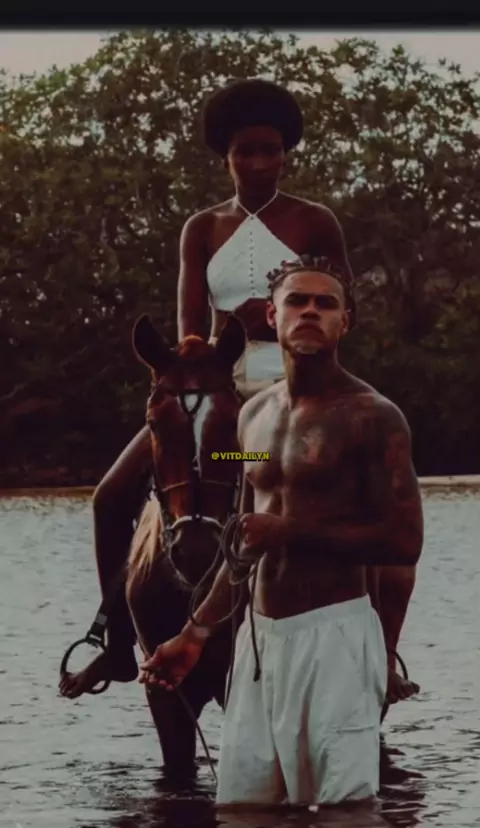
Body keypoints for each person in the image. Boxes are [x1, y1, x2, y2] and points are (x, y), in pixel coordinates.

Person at [59, 79, 416, 708]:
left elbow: (343, 308)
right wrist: (227, 336)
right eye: (244, 152)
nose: (257, 163)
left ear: (285, 154)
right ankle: (114, 638)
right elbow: (187, 333)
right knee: (109, 495)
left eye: (269, 150)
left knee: (356, 501)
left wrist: (275, 325)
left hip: (293, 392)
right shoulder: (202, 227)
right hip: (216, 394)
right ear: (225, 157)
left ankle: (381, 654)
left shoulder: (315, 220)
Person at [139, 256, 424, 807]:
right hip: (259, 640)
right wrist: (194, 633)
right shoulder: (252, 418)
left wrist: (290, 531)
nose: (310, 311)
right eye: (297, 301)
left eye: (325, 303)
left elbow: (403, 541)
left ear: (345, 321)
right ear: (273, 316)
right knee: (243, 809)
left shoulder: (374, 416)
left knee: (344, 810)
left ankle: (388, 667)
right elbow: (243, 542)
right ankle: (111, 639)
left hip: (334, 635)